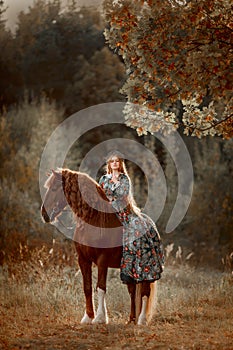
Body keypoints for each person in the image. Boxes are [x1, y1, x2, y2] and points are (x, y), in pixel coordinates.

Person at [99, 151, 164, 284]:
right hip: (106, 211)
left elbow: (123, 194)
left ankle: (133, 269)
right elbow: (100, 195)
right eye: (112, 161)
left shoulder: (124, 179)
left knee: (136, 229)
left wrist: (111, 197)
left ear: (120, 163)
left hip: (123, 211)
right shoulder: (103, 179)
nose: (114, 163)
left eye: (117, 161)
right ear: (109, 164)